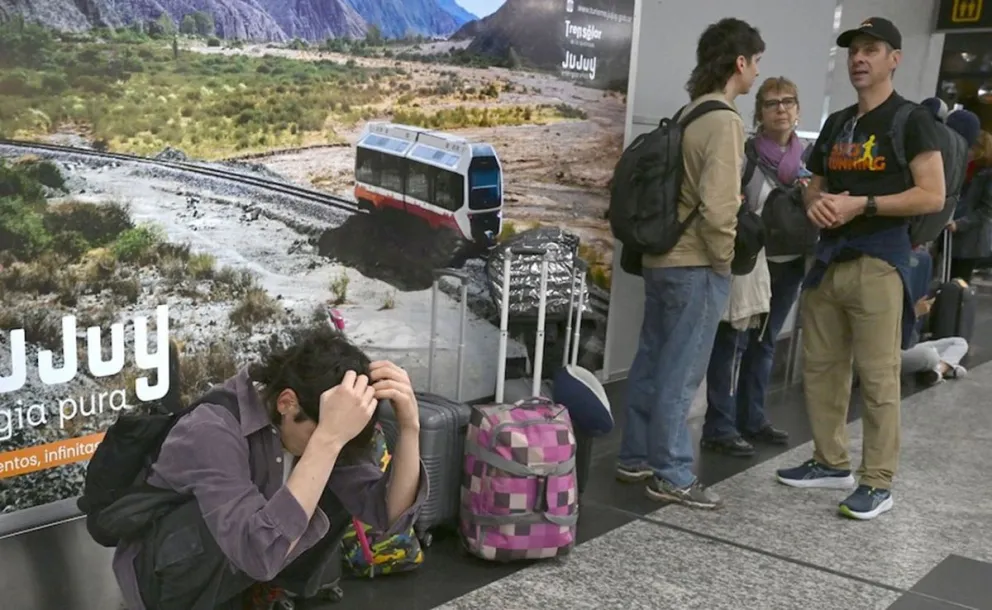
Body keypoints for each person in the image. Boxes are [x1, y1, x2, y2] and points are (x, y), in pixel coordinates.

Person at [111, 323, 428, 609]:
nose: (334, 444)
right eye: (323, 433)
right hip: (165, 581)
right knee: (309, 471)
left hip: (245, 568)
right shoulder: (212, 429)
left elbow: (388, 513)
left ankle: (265, 592)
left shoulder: (316, 428)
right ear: (286, 403)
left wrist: (410, 427)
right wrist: (327, 442)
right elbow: (255, 552)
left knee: (323, 473)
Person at [775, 17, 945, 521]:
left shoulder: (911, 120)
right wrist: (816, 203)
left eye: (871, 49)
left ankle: (877, 481)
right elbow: (814, 180)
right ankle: (830, 462)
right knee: (822, 369)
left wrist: (862, 205)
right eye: (853, 51)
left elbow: (932, 194)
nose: (858, 58)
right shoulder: (838, 122)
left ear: (895, 59)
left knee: (877, 376)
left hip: (879, 261)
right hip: (829, 260)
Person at [616, 17, 765, 510]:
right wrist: (724, 263)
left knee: (652, 361)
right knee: (681, 374)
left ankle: (635, 456)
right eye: (756, 61)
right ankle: (673, 472)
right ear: (739, 62)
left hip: (660, 261)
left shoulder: (689, 113)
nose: (757, 71)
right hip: (696, 266)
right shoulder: (725, 121)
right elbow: (720, 209)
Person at [702, 76, 808, 457]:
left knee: (765, 344)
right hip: (750, 264)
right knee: (732, 344)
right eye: (772, 103)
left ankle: (753, 417)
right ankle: (720, 425)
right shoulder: (745, 155)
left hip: (790, 264)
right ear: (759, 113)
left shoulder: (807, 159)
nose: (781, 109)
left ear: (798, 110)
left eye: (788, 102)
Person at [948, 129, 992, 282]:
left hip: (970, 238)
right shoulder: (965, 168)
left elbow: (986, 210)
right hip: (953, 231)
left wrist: (960, 224)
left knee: (959, 280)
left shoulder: (986, 175)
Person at [901, 295, 969, 384]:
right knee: (930, 355)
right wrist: (915, 313)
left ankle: (939, 370)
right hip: (894, 352)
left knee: (959, 342)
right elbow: (905, 340)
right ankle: (945, 369)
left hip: (910, 346)